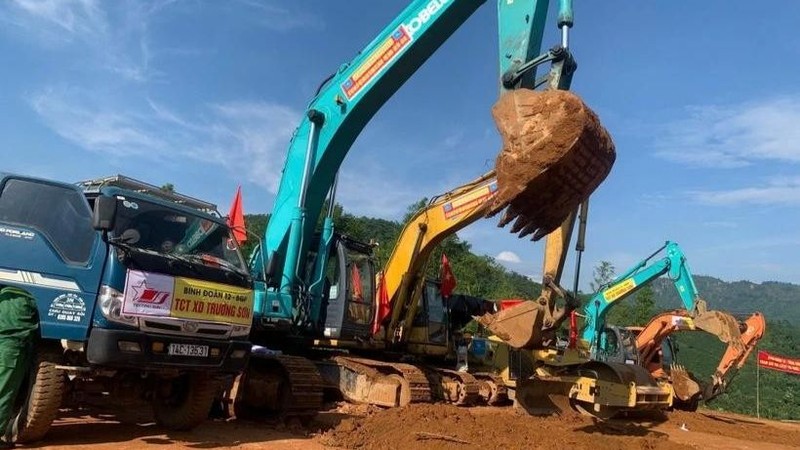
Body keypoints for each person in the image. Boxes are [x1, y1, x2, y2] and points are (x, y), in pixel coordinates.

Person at [0, 287, 38, 449]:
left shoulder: (6, 289)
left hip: (10, 336)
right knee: (5, 387)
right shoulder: (28, 294)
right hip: (13, 342)